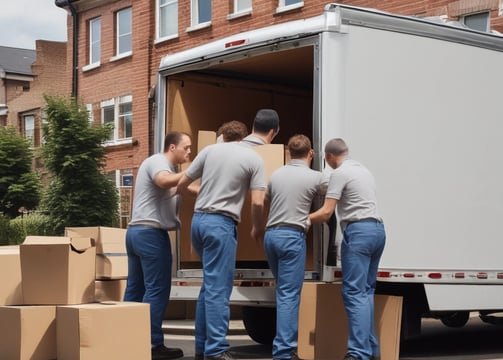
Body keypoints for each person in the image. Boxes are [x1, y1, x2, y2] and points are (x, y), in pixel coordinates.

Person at [177, 108, 280, 360]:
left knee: (208, 288)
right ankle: (216, 350)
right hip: (220, 225)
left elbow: (181, 184)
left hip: (199, 223)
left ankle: (202, 347)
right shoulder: (254, 159)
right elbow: (257, 202)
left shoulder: (210, 150)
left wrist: (203, 194)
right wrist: (257, 227)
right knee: (218, 290)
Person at [308, 138, 386, 360]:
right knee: (366, 291)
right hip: (378, 231)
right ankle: (371, 350)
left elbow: (326, 212)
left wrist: (301, 221)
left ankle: (358, 353)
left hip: (359, 233)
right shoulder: (363, 170)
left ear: (329, 156)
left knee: (353, 292)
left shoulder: (339, 173)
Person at [124, 131, 192, 360]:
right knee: (157, 290)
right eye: (187, 148)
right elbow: (163, 181)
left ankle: (127, 339)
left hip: (136, 233)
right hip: (151, 235)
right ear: (172, 147)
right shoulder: (158, 162)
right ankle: (152, 344)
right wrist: (193, 171)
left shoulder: (168, 169)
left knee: (136, 289)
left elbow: (187, 187)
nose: (190, 152)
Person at [264, 134, 327, 360]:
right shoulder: (315, 177)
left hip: (271, 235)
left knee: (283, 291)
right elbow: (334, 194)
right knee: (289, 295)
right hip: (292, 236)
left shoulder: (276, 174)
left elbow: (266, 199)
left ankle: (282, 346)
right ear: (310, 153)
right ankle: (283, 351)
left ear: (289, 153)